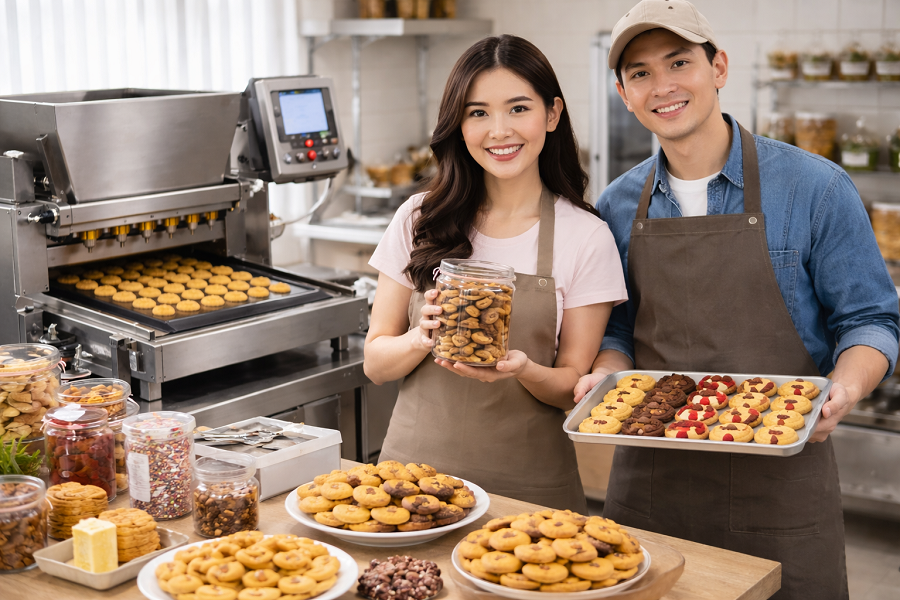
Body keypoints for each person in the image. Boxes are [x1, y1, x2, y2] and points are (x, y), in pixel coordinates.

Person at [572, 1, 900, 598]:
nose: (662, 86)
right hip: (652, 482)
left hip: (782, 480)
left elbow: (870, 319)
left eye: (679, 62)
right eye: (640, 73)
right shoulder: (617, 206)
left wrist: (844, 390)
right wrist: (606, 378)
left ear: (718, 67)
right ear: (624, 93)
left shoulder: (816, 188)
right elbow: (617, 330)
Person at [364, 34, 628, 511]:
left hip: (529, 493)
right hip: (408, 485)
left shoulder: (586, 236)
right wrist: (418, 339)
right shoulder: (418, 218)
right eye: (478, 112)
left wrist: (523, 370)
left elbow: (573, 387)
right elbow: (375, 363)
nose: (499, 130)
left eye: (518, 108)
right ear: (459, 125)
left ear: (551, 115)